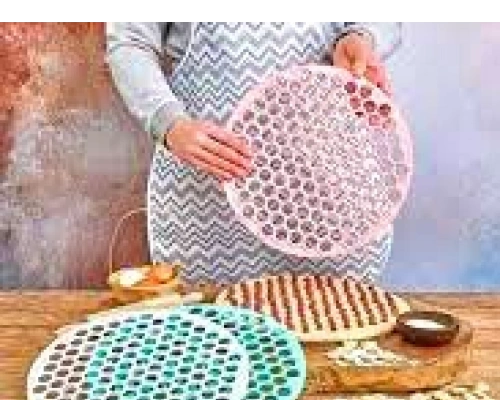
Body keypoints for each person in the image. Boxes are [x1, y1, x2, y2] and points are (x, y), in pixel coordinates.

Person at [105, 17, 402, 285]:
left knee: (331, 317)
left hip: (327, 192)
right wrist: (169, 124)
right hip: (210, 194)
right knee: (214, 321)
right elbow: (130, 42)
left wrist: (362, 35)